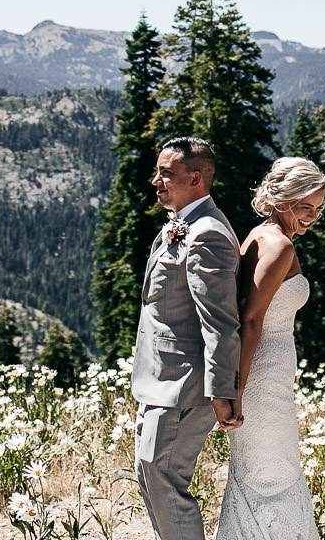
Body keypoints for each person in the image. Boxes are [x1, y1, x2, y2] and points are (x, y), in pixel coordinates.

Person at [214, 156, 325, 540]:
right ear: (282, 200)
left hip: (266, 376)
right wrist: (236, 389)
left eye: (318, 208)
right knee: (273, 473)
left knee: (259, 471)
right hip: (262, 381)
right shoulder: (279, 246)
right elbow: (250, 319)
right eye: (304, 207)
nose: (312, 216)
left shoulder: (259, 235)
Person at [132, 137, 243, 540]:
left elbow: (219, 319)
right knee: (150, 475)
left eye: (166, 173)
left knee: (162, 476)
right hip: (159, 379)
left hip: (184, 383)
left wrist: (220, 390)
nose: (155, 181)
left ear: (196, 178)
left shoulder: (207, 232)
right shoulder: (184, 221)